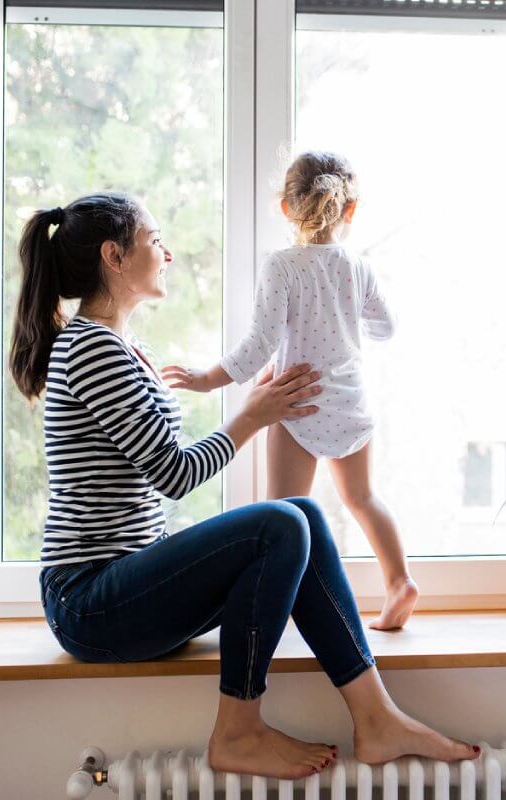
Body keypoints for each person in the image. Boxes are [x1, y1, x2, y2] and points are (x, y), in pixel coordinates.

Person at [9, 191, 479, 780]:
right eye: (155, 241)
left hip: (126, 583)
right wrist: (252, 416)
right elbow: (174, 473)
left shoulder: (124, 347)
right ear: (114, 256)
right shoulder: (92, 349)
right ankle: (238, 729)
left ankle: (376, 717)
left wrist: (255, 405)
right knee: (280, 522)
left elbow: (156, 458)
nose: (168, 253)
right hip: (89, 601)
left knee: (301, 513)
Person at [162, 151, 417, 631]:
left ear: (285, 207)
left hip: (297, 401)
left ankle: (285, 608)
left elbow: (258, 347)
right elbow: (386, 326)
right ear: (350, 210)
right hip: (350, 401)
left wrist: (204, 379)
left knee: (283, 516)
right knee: (362, 498)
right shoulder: (356, 266)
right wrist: (344, 317)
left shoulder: (281, 267)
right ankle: (400, 581)